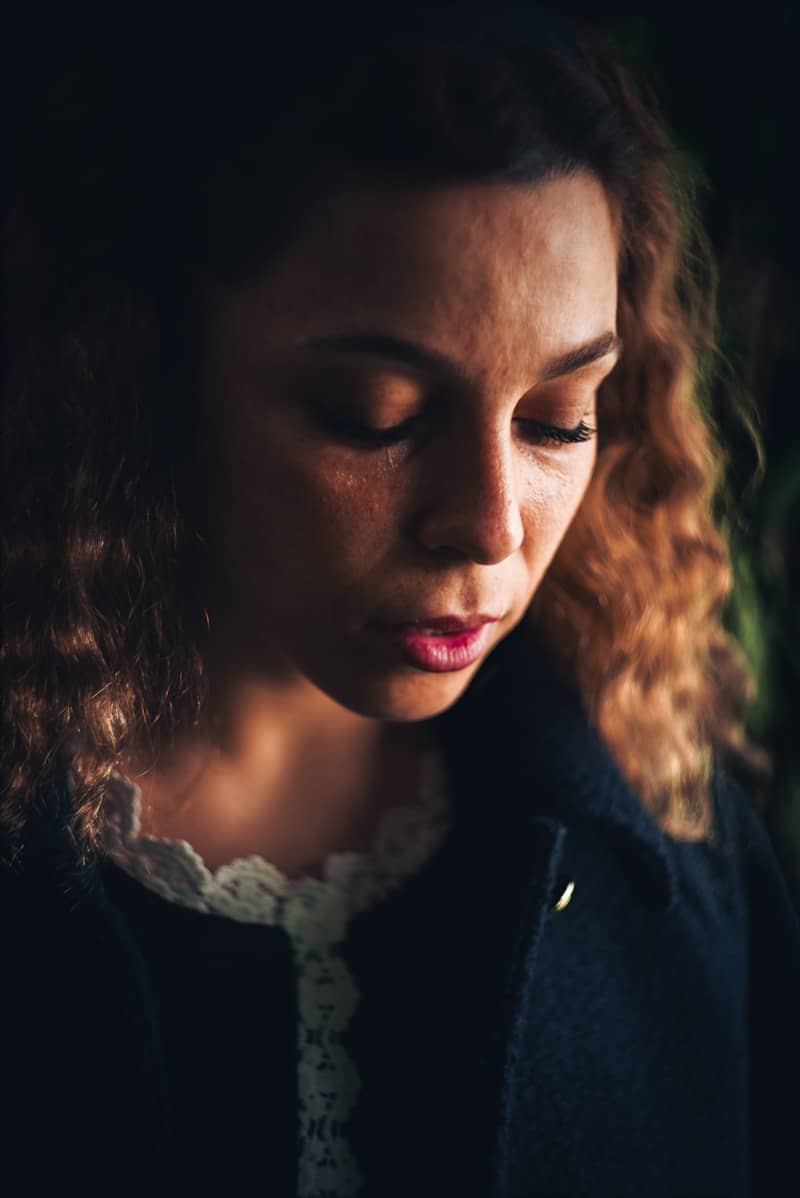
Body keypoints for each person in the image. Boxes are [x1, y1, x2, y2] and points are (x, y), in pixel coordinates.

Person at [1, 4, 798, 1196]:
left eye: (556, 419)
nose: (487, 524)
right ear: (145, 374)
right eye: (372, 414)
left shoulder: (677, 845)